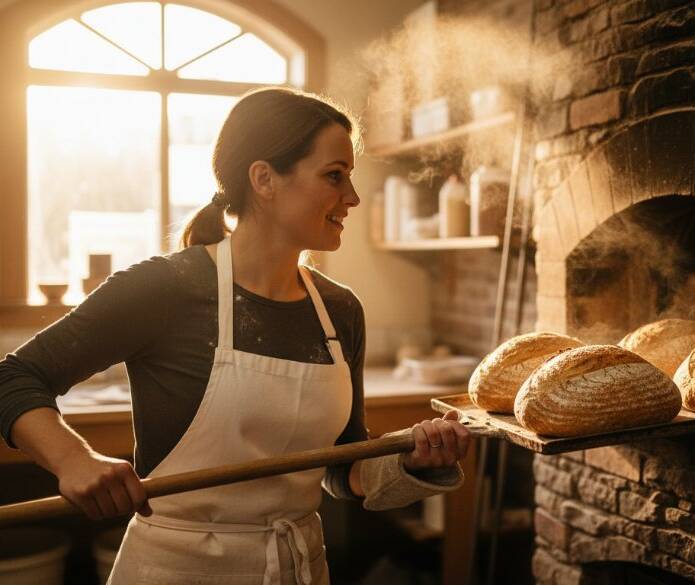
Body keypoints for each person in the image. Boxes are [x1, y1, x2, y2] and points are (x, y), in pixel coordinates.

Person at [0, 87, 471, 584]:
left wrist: (408, 460)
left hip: (298, 568)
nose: (351, 197)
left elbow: (341, 467)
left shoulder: (339, 311)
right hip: (178, 571)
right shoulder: (168, 288)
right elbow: (13, 377)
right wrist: (74, 459)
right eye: (335, 176)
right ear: (264, 178)